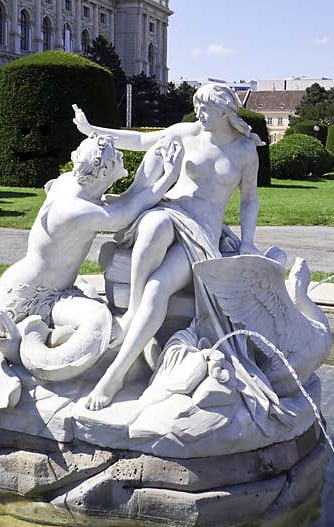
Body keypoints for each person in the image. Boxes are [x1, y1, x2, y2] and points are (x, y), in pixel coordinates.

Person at [73, 84, 283, 428]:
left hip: (202, 232)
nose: (199, 115)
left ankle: (115, 374)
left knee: (160, 287)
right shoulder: (187, 133)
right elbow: (142, 141)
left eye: (206, 110)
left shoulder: (245, 150)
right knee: (154, 224)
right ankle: (131, 314)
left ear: (226, 113)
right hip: (171, 211)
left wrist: (247, 242)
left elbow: (249, 200)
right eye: (197, 108)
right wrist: (93, 131)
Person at [0, 132, 182, 395]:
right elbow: (124, 213)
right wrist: (169, 178)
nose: (120, 157)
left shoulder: (70, 184)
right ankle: (7, 356)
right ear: (103, 172)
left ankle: (21, 351)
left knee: (98, 320)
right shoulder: (74, 210)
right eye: (116, 158)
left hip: (57, 291)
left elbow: (128, 198)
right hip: (26, 293)